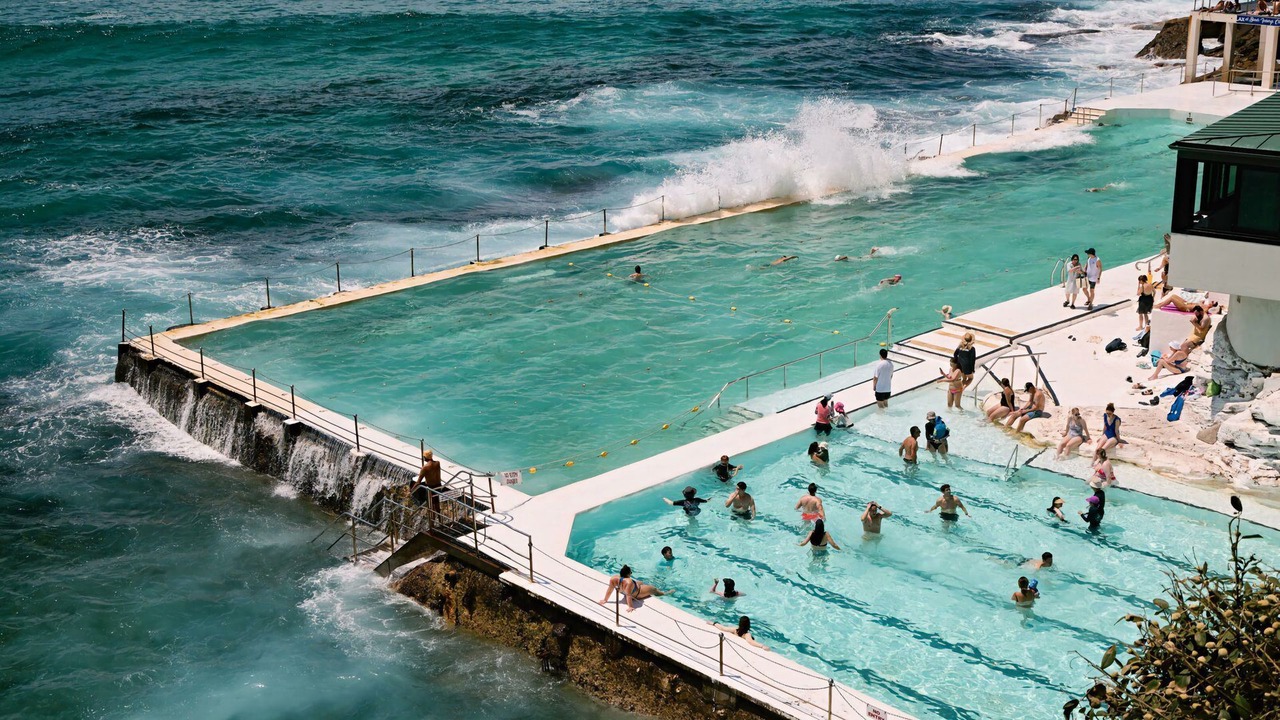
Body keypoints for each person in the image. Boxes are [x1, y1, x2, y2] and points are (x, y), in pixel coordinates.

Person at [599, 565, 667, 612]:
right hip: (638, 593)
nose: (631, 574)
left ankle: (642, 583)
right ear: (628, 574)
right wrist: (630, 606)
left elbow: (610, 590)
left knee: (640, 582)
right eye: (631, 573)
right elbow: (628, 596)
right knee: (653, 589)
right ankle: (665, 593)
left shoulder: (613, 578)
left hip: (632, 587)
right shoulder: (629, 582)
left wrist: (605, 599)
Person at [953, 332, 977, 400]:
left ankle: (958, 391)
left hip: (960, 364)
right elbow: (972, 360)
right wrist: (972, 369)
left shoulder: (960, 346)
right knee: (970, 378)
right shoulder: (972, 349)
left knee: (964, 379)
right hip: (967, 365)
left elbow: (955, 354)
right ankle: (960, 390)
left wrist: (957, 361)